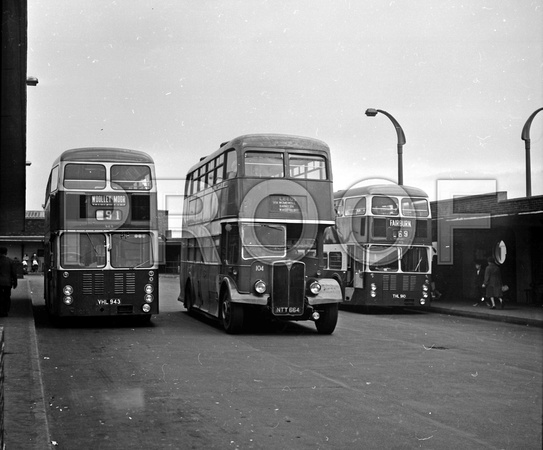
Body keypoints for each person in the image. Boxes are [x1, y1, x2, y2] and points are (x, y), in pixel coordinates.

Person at [0, 247, 18, 317]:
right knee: (7, 297)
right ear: (6, 253)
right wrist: (15, 282)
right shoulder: (10, 261)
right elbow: (13, 273)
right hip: (7, 282)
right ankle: (5, 311)